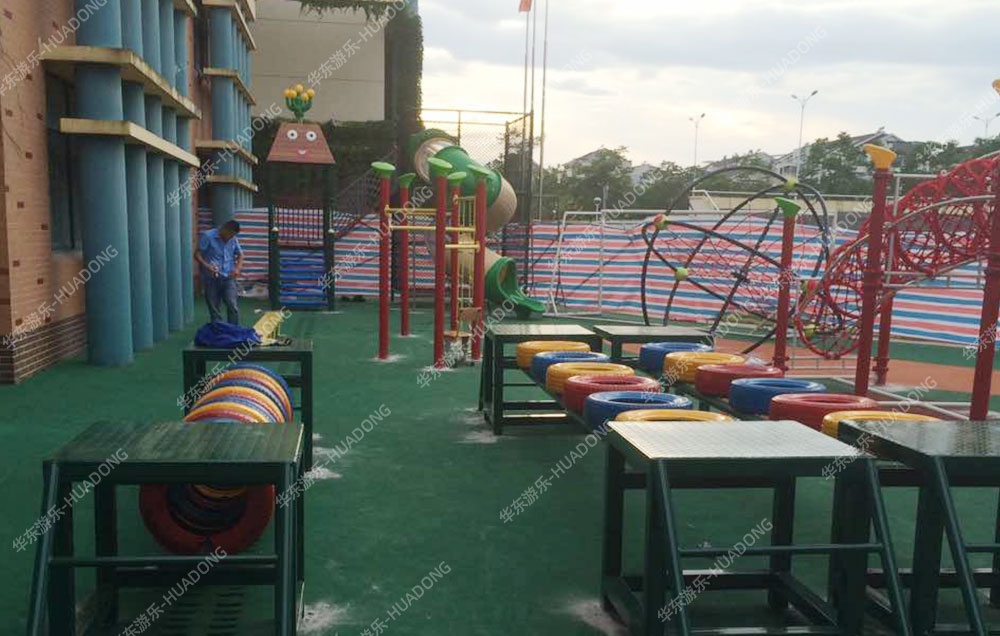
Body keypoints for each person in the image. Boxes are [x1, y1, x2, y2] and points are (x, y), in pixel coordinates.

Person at [195, 220, 244, 325]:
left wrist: (237, 268)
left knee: (232, 304)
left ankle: (234, 329)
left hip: (228, 276)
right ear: (224, 229)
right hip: (211, 277)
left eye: (233, 236)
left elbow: (240, 255)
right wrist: (207, 266)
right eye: (229, 235)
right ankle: (218, 330)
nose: (230, 238)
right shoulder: (208, 236)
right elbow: (197, 254)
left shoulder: (233, 239)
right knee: (214, 308)